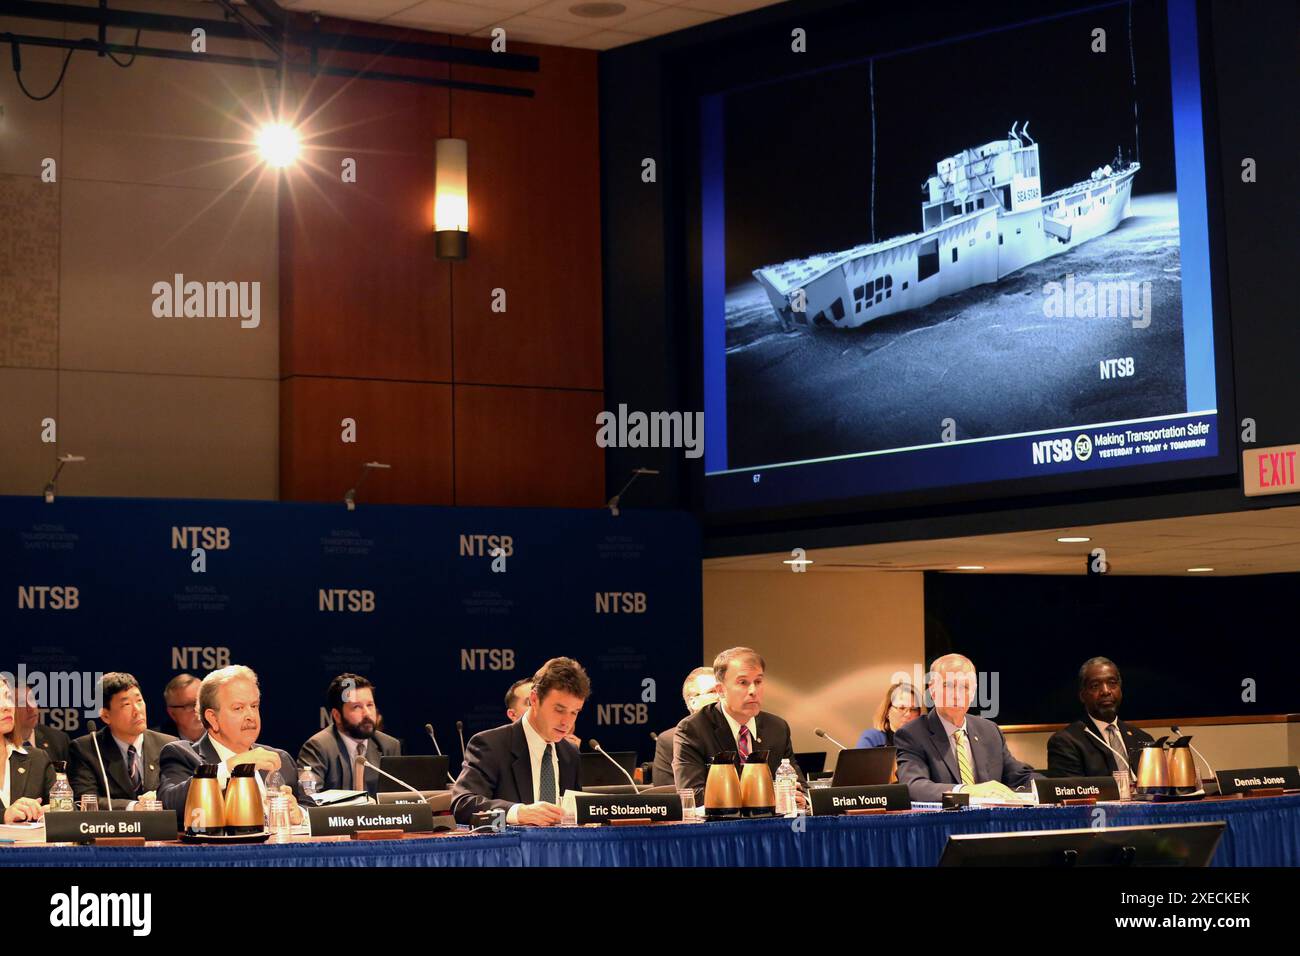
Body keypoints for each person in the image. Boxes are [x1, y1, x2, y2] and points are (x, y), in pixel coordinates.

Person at [158, 665, 306, 827]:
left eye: (254, 706)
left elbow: (313, 809)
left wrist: (299, 813)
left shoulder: (279, 759)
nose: (251, 716)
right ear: (213, 718)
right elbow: (168, 805)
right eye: (238, 708)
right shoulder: (182, 755)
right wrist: (233, 766)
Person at [450, 657, 588, 826]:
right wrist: (518, 812)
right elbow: (463, 805)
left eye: (574, 712)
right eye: (559, 710)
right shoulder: (491, 745)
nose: (567, 722)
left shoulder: (570, 754)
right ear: (534, 700)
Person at [895, 653, 1037, 802]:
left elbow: (1019, 776)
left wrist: (1056, 787)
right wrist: (967, 791)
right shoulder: (912, 734)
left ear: (974, 693)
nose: (956, 695)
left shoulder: (990, 731)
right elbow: (914, 786)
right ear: (932, 690)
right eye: (948, 685)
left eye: (965, 687)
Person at [672, 647, 803, 804]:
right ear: (720, 690)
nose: (753, 690)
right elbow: (692, 795)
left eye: (758, 681)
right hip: (719, 827)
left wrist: (800, 798)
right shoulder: (693, 730)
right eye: (743, 683)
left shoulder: (777, 728)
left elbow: (800, 785)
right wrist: (765, 795)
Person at [69, 673, 177, 809]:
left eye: (139, 700)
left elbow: (179, 794)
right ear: (105, 715)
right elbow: (85, 801)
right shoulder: (86, 749)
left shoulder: (168, 745)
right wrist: (134, 807)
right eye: (126, 704)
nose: (137, 711)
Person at [1047, 657, 1154, 778]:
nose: (1106, 691)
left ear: (1120, 690)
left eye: (1112, 683)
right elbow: (1072, 791)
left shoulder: (1142, 738)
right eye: (1095, 686)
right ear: (1082, 695)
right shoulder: (1066, 742)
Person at [298, 673, 402, 793]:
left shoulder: (389, 746)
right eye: (356, 707)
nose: (367, 713)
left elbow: (395, 798)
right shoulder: (318, 747)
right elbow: (310, 799)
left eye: (370, 705)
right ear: (337, 716)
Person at [653, 666, 716, 786]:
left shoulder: (741, 732)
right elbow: (665, 794)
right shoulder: (670, 739)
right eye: (713, 691)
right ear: (693, 702)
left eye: (722, 691)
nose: (721, 696)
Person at [1, 677, 53, 824]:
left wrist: (55, 813)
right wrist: (4, 816)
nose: (6, 706)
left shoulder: (38, 759)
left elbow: (69, 809)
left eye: (7, 697)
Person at [506, 677, 581, 748]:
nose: (539, 707)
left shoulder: (568, 750)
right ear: (512, 715)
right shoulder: (497, 748)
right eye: (530, 702)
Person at [13, 681, 71, 765]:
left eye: (31, 700)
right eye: (22, 703)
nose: (31, 708)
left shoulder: (59, 740)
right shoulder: (3, 745)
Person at [856, 680, 925, 747]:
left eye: (914, 709)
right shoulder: (873, 739)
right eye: (902, 708)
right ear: (887, 712)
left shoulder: (925, 740)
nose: (908, 714)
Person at [156, 673, 204, 743]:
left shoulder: (224, 733)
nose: (198, 709)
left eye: (201, 701)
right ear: (172, 713)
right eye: (190, 705)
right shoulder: (156, 742)